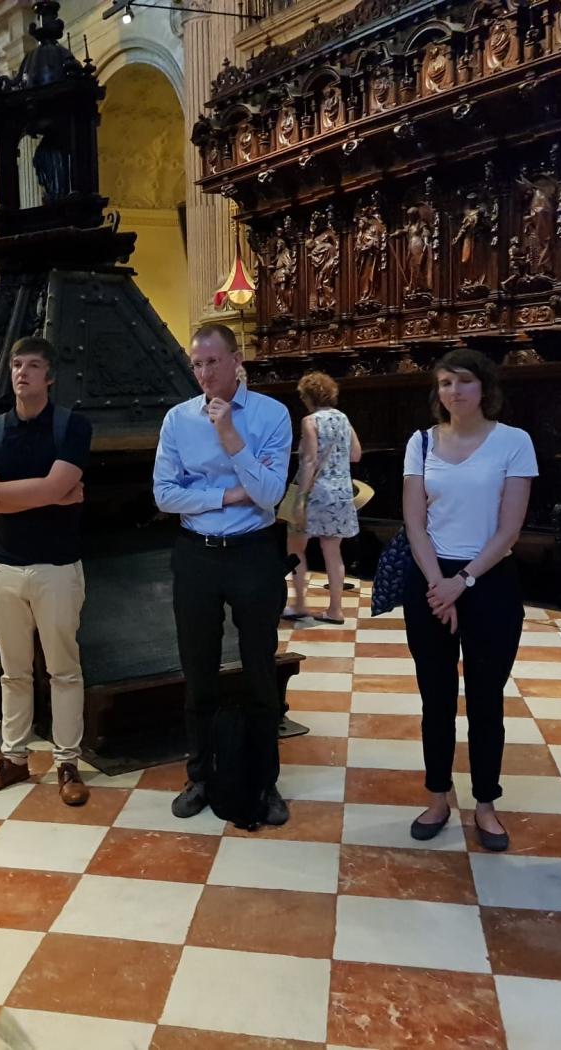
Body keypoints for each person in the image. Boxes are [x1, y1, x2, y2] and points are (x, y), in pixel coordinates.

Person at [152, 324, 292, 824]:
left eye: (214, 362)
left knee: (259, 670)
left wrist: (230, 436)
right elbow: (165, 495)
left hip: (253, 552)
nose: (205, 374)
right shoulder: (177, 419)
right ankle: (199, 776)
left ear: (237, 361)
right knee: (198, 670)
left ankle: (266, 782)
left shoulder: (272, 416)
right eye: (197, 364)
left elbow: (271, 493)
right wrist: (230, 494)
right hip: (197, 554)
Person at [402, 348, 536, 852]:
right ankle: (438, 795)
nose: (453, 392)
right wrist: (439, 581)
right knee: (434, 697)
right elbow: (414, 521)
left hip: (490, 581)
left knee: (486, 699)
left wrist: (465, 581)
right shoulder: (420, 443)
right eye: (444, 384)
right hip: (431, 580)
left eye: (462, 382)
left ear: (484, 387)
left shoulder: (513, 442)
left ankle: (485, 803)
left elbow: (509, 528)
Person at [0, 337, 93, 806]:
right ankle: (14, 759)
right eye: (17, 364)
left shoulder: (71, 427)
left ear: (50, 376)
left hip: (57, 567)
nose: (22, 373)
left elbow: (55, 484)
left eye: (33, 365)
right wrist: (45, 494)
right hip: (3, 566)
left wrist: (2, 495)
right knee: (14, 673)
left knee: (63, 670)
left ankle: (67, 763)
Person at [283, 371, 361, 624]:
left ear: (308, 397)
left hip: (317, 490)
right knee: (332, 550)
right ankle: (336, 610)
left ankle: (299, 604)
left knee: (296, 547)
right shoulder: (343, 419)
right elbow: (356, 455)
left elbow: (308, 461)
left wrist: (301, 499)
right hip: (341, 491)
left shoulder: (310, 421)